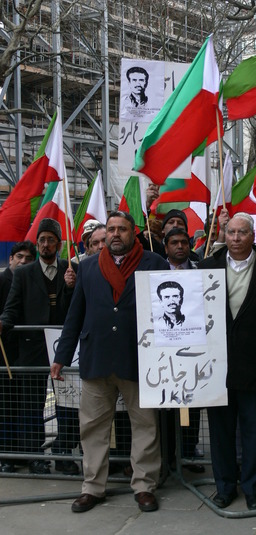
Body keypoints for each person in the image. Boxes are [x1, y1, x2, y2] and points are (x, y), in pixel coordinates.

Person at [51, 211, 168, 514]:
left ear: (134, 232)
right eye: (111, 229)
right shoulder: (88, 266)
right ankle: (92, 488)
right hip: (97, 359)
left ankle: (144, 486)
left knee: (145, 427)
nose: (116, 234)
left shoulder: (154, 263)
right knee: (92, 428)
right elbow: (75, 314)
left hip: (138, 360)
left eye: (122, 229)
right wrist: (62, 355)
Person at [198, 213, 256, 510]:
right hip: (216, 366)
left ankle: (253, 489)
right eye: (231, 232)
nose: (236, 238)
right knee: (221, 433)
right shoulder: (206, 267)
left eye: (242, 232)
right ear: (224, 235)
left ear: (253, 235)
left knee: (255, 432)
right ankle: (225, 488)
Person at [0, 219, 77, 475]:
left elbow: (77, 308)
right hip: (32, 347)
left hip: (64, 347)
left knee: (67, 405)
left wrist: (69, 287)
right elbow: (12, 308)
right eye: (42, 240)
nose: (46, 244)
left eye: (50, 239)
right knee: (31, 404)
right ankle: (33, 455)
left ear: (59, 243)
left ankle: (64, 454)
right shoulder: (23, 273)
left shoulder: (71, 269)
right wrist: (3, 323)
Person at [163, 227, 203, 472]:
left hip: (192, 348)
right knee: (166, 407)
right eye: (174, 243)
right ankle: (168, 457)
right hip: (163, 353)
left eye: (184, 243)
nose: (180, 247)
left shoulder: (200, 271)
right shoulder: (154, 272)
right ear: (166, 247)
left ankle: (189, 453)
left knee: (191, 405)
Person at [0, 241, 36, 473]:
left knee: (29, 405)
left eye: (27, 258)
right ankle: (7, 454)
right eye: (19, 256)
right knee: (6, 407)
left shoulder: (30, 281)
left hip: (27, 352)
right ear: (11, 258)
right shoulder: (2, 281)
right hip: (4, 354)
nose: (23, 261)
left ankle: (29, 452)